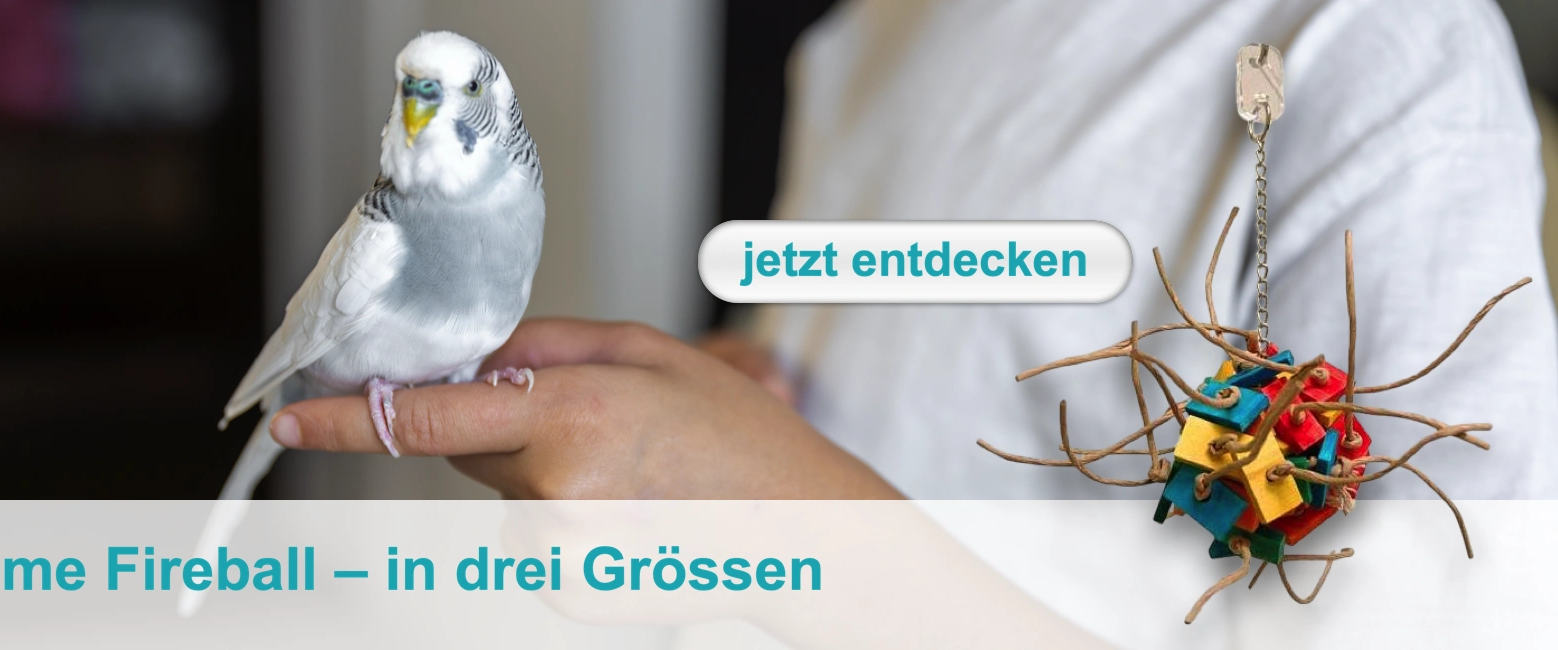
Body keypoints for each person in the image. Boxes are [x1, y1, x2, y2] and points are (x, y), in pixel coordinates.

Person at [270, 0, 1556, 644]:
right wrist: (741, 420)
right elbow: (876, 415)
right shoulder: (860, 43)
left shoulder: (1369, 46)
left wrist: (796, 517)